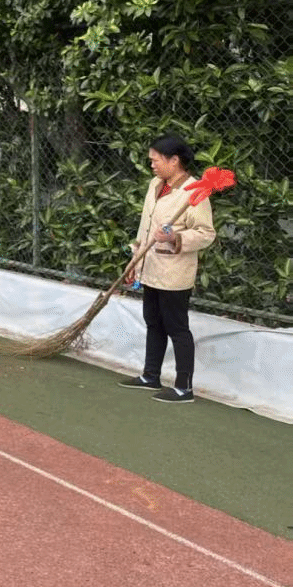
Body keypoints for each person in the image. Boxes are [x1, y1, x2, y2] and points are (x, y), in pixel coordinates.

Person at [118, 133, 216, 403]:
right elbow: (145, 227)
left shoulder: (195, 191)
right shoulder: (155, 184)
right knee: (153, 322)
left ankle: (184, 387)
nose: (151, 164)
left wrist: (175, 237)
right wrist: (134, 260)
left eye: (156, 160)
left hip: (174, 272)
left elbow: (206, 233)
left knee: (177, 327)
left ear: (174, 161)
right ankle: (151, 375)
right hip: (150, 267)